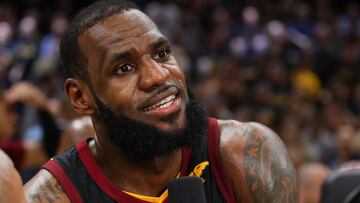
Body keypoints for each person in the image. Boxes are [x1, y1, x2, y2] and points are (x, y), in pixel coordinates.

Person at [24, 0, 298, 202]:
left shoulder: (246, 154)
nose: (157, 76)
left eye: (162, 53)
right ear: (81, 97)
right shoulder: (50, 197)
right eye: (124, 68)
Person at [0, 82, 61, 171]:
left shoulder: (7, 149)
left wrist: (42, 107)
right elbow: (47, 150)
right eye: (9, 110)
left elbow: (49, 150)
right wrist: (42, 107)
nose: (15, 118)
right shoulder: (4, 150)